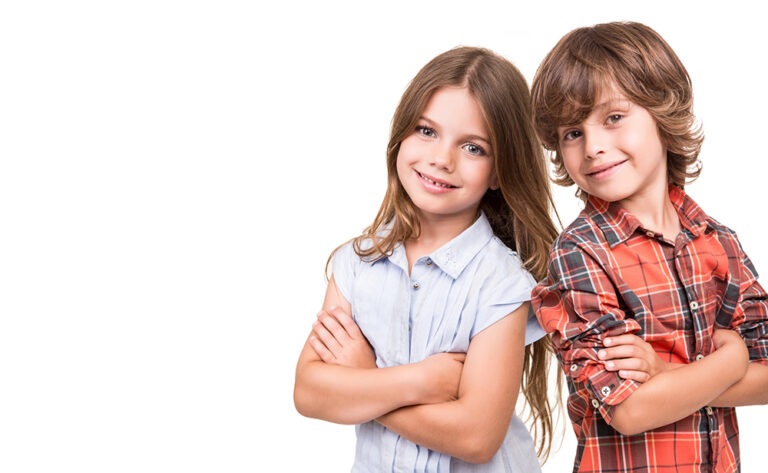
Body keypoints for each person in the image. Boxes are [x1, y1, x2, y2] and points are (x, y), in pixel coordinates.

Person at [293, 46, 561, 472]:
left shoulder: (501, 282)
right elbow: (309, 393)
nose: (441, 159)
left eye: (473, 148)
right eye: (426, 131)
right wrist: (419, 381)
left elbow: (476, 436)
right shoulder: (356, 264)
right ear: (400, 134)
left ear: (498, 171)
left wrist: (365, 382)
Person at [530, 21, 768, 473]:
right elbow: (631, 410)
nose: (594, 146)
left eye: (613, 117)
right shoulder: (581, 252)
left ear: (662, 112)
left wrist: (668, 375)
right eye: (572, 133)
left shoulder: (718, 242)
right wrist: (732, 358)